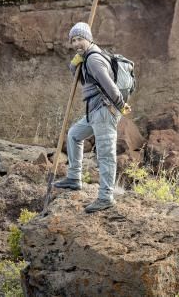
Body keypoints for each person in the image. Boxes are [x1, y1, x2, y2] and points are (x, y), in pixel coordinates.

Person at [54, 22, 131, 213]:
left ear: (89, 38)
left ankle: (106, 197)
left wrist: (121, 105)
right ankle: (74, 177)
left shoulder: (94, 60)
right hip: (94, 111)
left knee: (105, 155)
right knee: (74, 135)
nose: (77, 43)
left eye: (80, 38)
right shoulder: (86, 58)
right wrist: (74, 66)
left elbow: (109, 85)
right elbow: (85, 81)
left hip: (105, 111)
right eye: (73, 40)